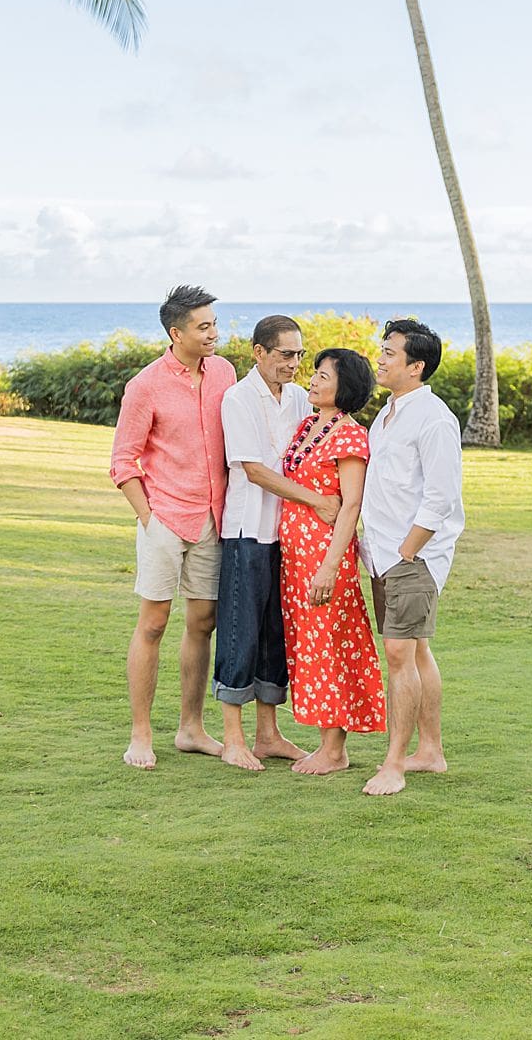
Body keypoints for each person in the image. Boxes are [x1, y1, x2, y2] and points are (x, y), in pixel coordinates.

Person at [109, 284, 235, 770]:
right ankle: (140, 733)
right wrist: (149, 519)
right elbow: (123, 461)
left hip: (213, 518)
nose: (213, 334)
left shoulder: (224, 371)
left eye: (214, 324)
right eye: (203, 326)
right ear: (175, 332)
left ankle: (191, 728)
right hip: (165, 518)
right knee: (154, 623)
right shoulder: (145, 386)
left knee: (203, 623)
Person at [214, 316, 342, 771]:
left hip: (288, 538)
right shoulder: (237, 398)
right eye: (286, 354)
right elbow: (254, 470)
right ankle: (233, 740)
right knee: (239, 632)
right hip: (247, 533)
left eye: (300, 355)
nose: (294, 364)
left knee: (274, 636)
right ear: (259, 353)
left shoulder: (297, 400)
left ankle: (268, 735)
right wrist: (317, 501)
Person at [359, 318, 465, 797]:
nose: (380, 359)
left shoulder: (434, 418)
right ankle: (431, 752)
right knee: (416, 650)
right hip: (383, 556)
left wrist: (407, 553)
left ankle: (394, 764)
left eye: (390, 353)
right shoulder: (386, 414)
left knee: (399, 654)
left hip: (412, 560)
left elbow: (440, 499)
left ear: (416, 366)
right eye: (382, 350)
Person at [280, 347, 386, 775]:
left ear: (346, 387)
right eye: (316, 374)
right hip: (295, 556)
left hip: (326, 556)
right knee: (309, 645)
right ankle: (326, 741)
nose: (314, 380)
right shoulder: (308, 425)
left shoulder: (349, 435)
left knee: (330, 645)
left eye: (324, 376)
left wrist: (327, 565)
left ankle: (334, 749)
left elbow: (351, 503)